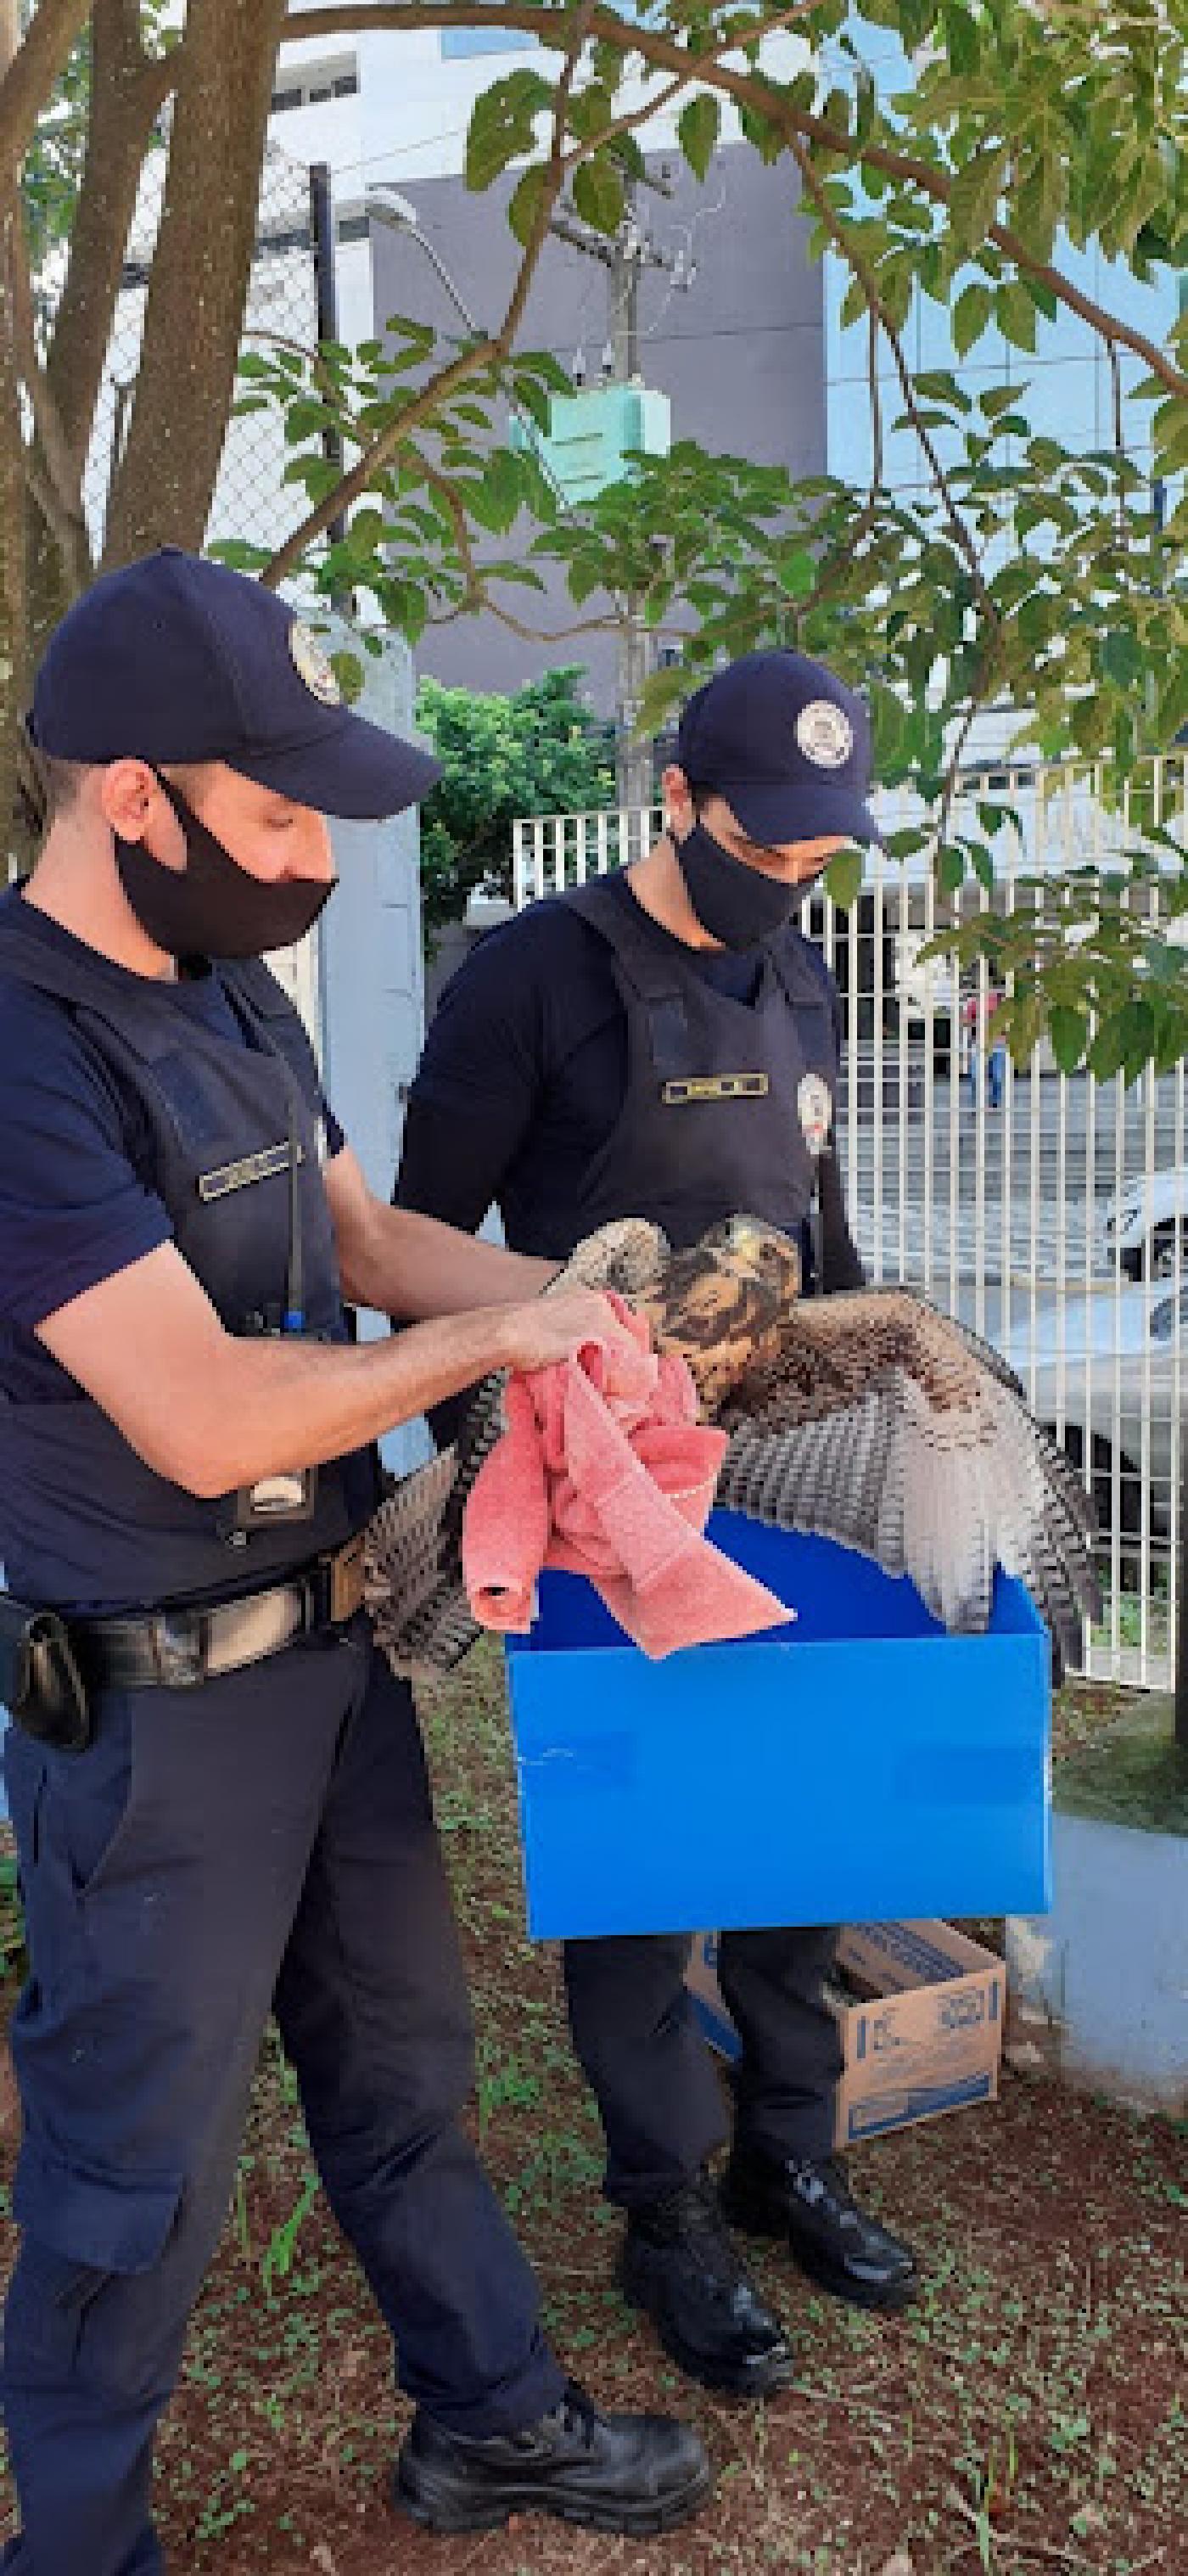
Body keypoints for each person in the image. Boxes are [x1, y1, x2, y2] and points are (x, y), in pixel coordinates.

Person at [0, 550, 712, 2576]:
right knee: (132, 2182)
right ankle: (78, 2547)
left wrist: (587, 1307)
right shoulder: (24, 1048)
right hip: (150, 1724)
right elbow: (205, 1413)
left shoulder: (227, 991)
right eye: (276, 809)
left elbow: (375, 1247)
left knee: (405, 2071)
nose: (310, 857)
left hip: (332, 1663)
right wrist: (492, 1346)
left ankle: (489, 2425)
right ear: (130, 793)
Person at [395, 649, 919, 2404]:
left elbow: (821, 1230)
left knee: (798, 1821)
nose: (792, 878)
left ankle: (788, 2154)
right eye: (763, 843)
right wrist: (516, 1472)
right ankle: (662, 2208)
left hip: (777, 1466)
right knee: (647, 1868)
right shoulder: (529, 982)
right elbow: (412, 1257)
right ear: (675, 798)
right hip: (597, 1488)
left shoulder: (804, 974)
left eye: (819, 852)